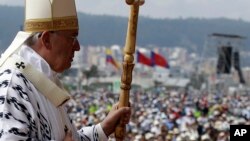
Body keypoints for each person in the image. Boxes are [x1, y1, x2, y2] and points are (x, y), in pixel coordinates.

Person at [0, 0, 131, 140]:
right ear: (47, 40)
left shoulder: (43, 80)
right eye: (72, 37)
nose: (78, 47)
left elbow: (69, 138)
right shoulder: (11, 87)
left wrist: (103, 129)